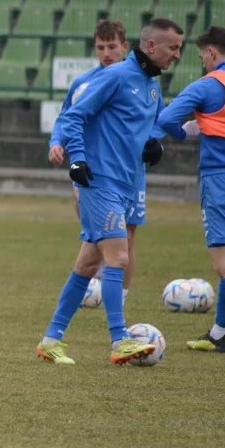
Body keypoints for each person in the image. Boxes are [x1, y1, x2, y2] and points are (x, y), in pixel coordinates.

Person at [36, 18, 183, 365]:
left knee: (88, 263)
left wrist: (153, 146)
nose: (177, 55)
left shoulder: (150, 85)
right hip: (99, 180)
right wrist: (78, 161)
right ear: (151, 46)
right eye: (173, 48)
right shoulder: (115, 77)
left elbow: (150, 129)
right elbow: (73, 117)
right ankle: (120, 340)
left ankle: (51, 339)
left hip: (127, 184)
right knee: (118, 257)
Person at [154, 26, 225, 353]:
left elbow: (166, 118)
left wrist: (188, 131)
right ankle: (217, 335)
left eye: (201, 57)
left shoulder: (209, 85)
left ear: (211, 52)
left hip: (221, 179)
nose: (202, 63)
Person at [48, 20, 144, 301]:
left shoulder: (140, 81)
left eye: (112, 46)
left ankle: (119, 298)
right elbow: (67, 117)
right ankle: (103, 285)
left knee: (128, 233)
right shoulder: (83, 83)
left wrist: (154, 140)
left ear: (124, 47)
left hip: (131, 172)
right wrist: (56, 142)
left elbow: (154, 120)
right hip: (93, 171)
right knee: (96, 232)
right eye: (101, 47)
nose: (106, 53)